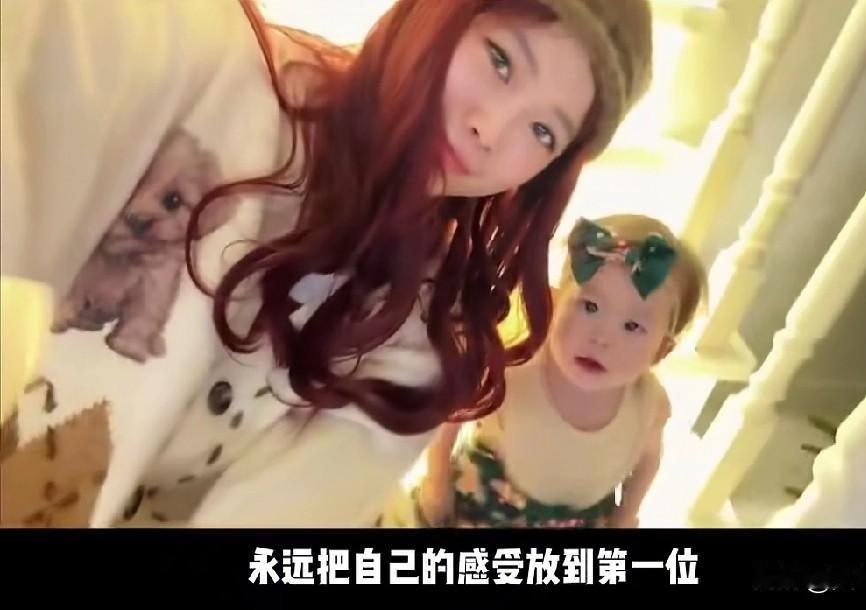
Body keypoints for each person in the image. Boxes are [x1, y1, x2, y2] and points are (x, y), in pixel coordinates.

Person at [0, 0, 653, 527]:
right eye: (500, 59)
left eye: (542, 132)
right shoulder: (212, 74)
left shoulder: (421, 338)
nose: (490, 128)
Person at [402, 214, 706, 528]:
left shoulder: (650, 404)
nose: (601, 338)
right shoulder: (515, 364)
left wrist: (627, 513)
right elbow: (452, 414)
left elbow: (647, 460)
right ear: (555, 300)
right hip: (483, 506)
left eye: (632, 326)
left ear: (661, 350)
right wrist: (436, 479)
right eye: (589, 306)